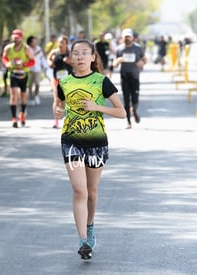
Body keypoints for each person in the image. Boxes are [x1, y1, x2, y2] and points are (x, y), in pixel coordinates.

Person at [53, 39, 126, 260]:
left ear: (93, 57)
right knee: (79, 191)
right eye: (76, 53)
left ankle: (90, 226)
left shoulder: (102, 81)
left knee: (92, 192)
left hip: (96, 143)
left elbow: (121, 112)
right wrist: (57, 111)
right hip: (71, 141)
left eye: (85, 53)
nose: (81, 57)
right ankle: (83, 240)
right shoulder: (63, 82)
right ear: (71, 58)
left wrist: (97, 107)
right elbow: (59, 104)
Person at [114, 28, 147, 129]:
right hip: (124, 76)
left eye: (128, 36)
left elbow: (144, 59)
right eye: (125, 37)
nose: (127, 38)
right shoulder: (119, 49)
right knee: (126, 100)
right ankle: (128, 122)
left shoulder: (137, 48)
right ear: (122, 38)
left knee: (135, 99)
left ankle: (135, 111)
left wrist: (142, 63)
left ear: (132, 37)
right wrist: (117, 61)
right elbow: (114, 64)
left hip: (135, 76)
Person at [1, 29, 35, 128]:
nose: (15, 39)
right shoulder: (8, 48)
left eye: (17, 38)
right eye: (14, 38)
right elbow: (4, 57)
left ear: (21, 38)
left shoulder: (26, 49)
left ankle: (22, 113)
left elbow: (33, 61)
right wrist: (6, 63)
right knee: (13, 95)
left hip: (24, 74)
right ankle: (14, 118)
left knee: (23, 96)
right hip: (13, 73)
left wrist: (24, 64)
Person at [47, 35, 72, 128]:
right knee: (56, 99)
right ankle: (56, 121)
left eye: (63, 43)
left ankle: (67, 118)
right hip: (56, 79)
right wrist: (50, 63)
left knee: (65, 101)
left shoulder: (69, 53)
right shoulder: (54, 52)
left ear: (66, 44)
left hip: (68, 80)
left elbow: (75, 62)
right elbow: (48, 59)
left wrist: (69, 61)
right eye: (60, 42)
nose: (61, 44)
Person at [26, 35, 47, 106]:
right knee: (30, 85)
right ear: (30, 42)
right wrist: (35, 54)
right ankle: (31, 98)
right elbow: (28, 58)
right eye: (33, 41)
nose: (35, 43)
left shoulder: (38, 48)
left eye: (35, 41)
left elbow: (41, 57)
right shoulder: (27, 49)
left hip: (38, 69)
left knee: (37, 84)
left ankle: (36, 95)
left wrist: (45, 66)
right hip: (30, 69)